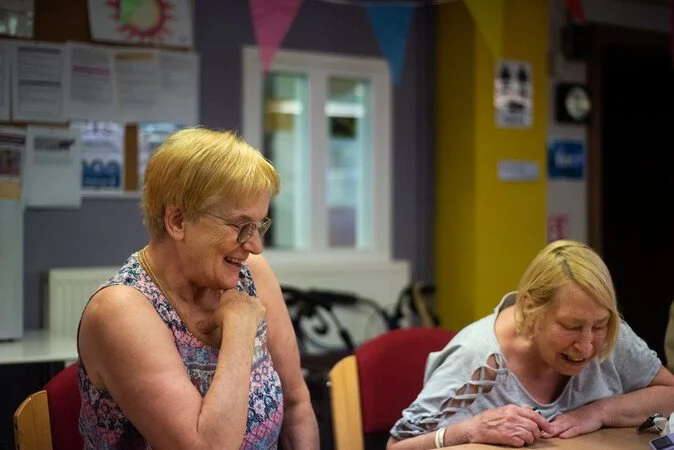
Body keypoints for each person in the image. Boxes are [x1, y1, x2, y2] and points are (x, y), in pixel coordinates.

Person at [77, 128, 319, 449]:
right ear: (177, 221)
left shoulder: (251, 273)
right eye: (241, 226)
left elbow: (296, 404)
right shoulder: (120, 310)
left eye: (259, 225)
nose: (255, 246)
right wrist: (240, 328)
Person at [387, 240, 674, 449]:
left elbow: (669, 393)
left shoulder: (610, 334)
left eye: (599, 325)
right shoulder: (477, 360)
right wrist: (469, 430)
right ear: (529, 308)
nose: (587, 347)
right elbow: (398, 445)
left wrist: (599, 412)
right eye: (571, 327)